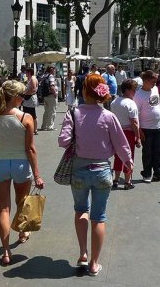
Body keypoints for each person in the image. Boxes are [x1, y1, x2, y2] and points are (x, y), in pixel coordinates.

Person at [58, 74, 132, 276]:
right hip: (102, 170)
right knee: (99, 217)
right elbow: (121, 143)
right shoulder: (109, 117)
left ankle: (82, 253)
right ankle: (94, 263)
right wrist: (128, 162)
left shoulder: (73, 113)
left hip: (79, 169)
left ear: (84, 91)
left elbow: (63, 141)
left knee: (81, 210)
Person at [0, 80, 44, 265]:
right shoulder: (25, 118)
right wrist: (37, 175)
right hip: (20, 164)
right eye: (23, 95)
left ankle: (5, 251)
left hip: (0, 163)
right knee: (22, 202)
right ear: (16, 97)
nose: (24, 98)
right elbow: (31, 149)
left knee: (3, 208)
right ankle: (22, 231)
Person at [134, 70, 160, 183]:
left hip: (158, 126)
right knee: (148, 152)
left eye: (156, 81)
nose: (155, 84)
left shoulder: (154, 89)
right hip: (146, 128)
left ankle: (159, 173)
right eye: (153, 81)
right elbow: (136, 114)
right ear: (145, 81)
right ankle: (147, 173)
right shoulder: (138, 95)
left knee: (159, 151)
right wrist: (139, 131)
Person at [110, 79, 141, 190]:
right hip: (128, 133)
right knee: (129, 156)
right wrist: (138, 137)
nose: (135, 92)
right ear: (127, 90)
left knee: (118, 156)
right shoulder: (131, 103)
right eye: (134, 90)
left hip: (117, 131)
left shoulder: (114, 102)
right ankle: (127, 181)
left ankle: (116, 179)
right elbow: (134, 123)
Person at [21, 67, 39, 134]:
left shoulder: (33, 79)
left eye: (26, 72)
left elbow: (33, 90)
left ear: (29, 72)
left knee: (32, 114)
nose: (25, 73)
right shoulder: (29, 79)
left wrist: (24, 94)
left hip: (30, 98)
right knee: (26, 113)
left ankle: (35, 129)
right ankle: (28, 127)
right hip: (27, 99)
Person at [40, 66, 58, 131]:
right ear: (52, 70)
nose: (55, 71)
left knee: (46, 111)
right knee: (52, 110)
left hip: (45, 95)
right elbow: (52, 86)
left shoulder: (44, 76)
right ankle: (50, 126)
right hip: (51, 95)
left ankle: (44, 126)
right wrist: (55, 94)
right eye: (54, 70)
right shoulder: (51, 76)